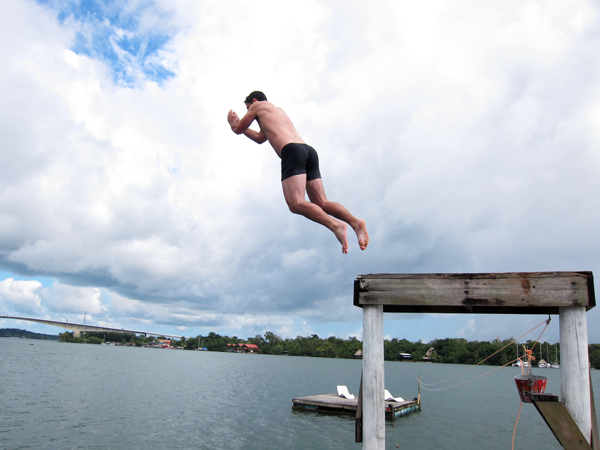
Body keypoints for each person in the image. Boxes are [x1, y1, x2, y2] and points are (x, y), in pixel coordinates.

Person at [227, 91, 369, 254]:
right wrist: (241, 128)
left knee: (295, 203)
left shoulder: (257, 106)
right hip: (308, 151)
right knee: (321, 203)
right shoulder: (278, 111)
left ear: (253, 101)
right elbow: (260, 138)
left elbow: (238, 128)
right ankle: (355, 222)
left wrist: (233, 124)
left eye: (247, 108)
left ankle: (336, 225)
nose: (248, 113)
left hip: (291, 151)